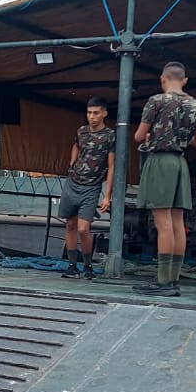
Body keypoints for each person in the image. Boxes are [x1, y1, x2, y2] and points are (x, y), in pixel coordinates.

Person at [132, 62, 196, 297]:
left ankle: (163, 282)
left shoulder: (156, 101)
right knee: (177, 223)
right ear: (184, 80)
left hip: (160, 161)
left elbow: (138, 136)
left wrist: (154, 136)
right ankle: (173, 280)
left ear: (162, 79)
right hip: (180, 163)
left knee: (162, 223)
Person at [56, 96, 118, 280]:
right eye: (89, 113)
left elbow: (112, 165)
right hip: (73, 182)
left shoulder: (110, 135)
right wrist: (72, 161)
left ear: (104, 113)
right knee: (70, 224)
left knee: (84, 228)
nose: (92, 116)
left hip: (92, 186)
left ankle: (88, 265)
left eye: (96, 113)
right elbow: (76, 145)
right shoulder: (82, 131)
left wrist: (107, 195)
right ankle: (72, 265)